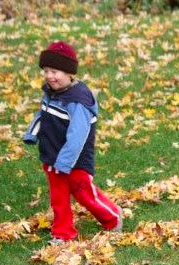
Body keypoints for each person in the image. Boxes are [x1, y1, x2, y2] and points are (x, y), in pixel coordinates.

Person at [23, 41, 122, 244]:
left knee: (84, 194)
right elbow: (42, 114)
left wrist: (65, 163)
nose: (50, 76)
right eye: (46, 71)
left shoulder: (78, 102)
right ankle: (63, 233)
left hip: (75, 161)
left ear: (69, 73)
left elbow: (78, 136)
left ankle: (112, 217)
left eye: (55, 71)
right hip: (52, 156)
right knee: (58, 199)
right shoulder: (51, 92)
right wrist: (32, 134)